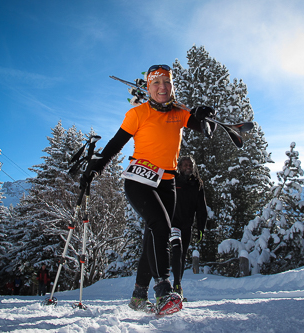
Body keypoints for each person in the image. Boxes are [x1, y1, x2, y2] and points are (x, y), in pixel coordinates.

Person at [87, 64, 215, 315]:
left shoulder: (179, 113)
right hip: (140, 178)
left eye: (167, 82)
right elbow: (115, 144)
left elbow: (205, 130)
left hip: (168, 182)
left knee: (154, 235)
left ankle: (138, 296)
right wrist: (97, 167)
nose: (162, 87)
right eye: (156, 83)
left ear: (172, 86)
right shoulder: (137, 114)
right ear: (148, 88)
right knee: (161, 226)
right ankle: (164, 290)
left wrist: (201, 116)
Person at [170, 156, 208, 299]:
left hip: (187, 225)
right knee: (176, 249)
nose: (188, 167)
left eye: (190, 165)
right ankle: (175, 286)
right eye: (185, 165)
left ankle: (176, 288)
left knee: (182, 255)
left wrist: (200, 228)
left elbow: (201, 208)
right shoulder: (173, 180)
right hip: (173, 223)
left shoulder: (197, 184)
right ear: (179, 166)